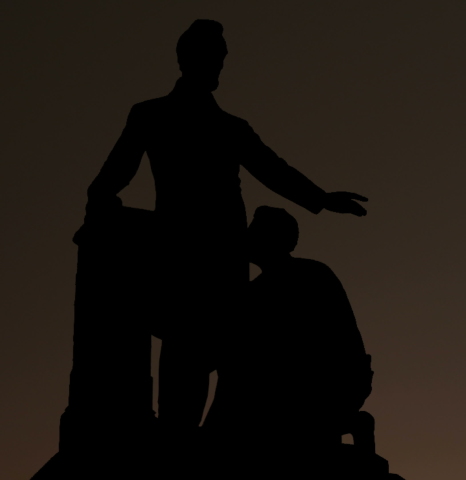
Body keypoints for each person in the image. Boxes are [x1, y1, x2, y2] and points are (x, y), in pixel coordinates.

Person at [84, 19, 368, 438]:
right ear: (188, 60)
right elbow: (114, 172)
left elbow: (273, 169)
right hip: (182, 253)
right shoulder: (150, 115)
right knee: (186, 351)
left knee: (232, 357)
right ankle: (177, 435)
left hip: (227, 257)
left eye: (222, 60)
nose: (220, 67)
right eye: (214, 59)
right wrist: (100, 201)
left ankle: (217, 437)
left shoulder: (231, 127)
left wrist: (321, 199)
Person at [204, 207, 373, 472]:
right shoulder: (275, 284)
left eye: (254, 233)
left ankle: (214, 443)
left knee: (236, 376)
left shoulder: (303, 278)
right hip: (309, 385)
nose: (247, 239)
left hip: (316, 388)